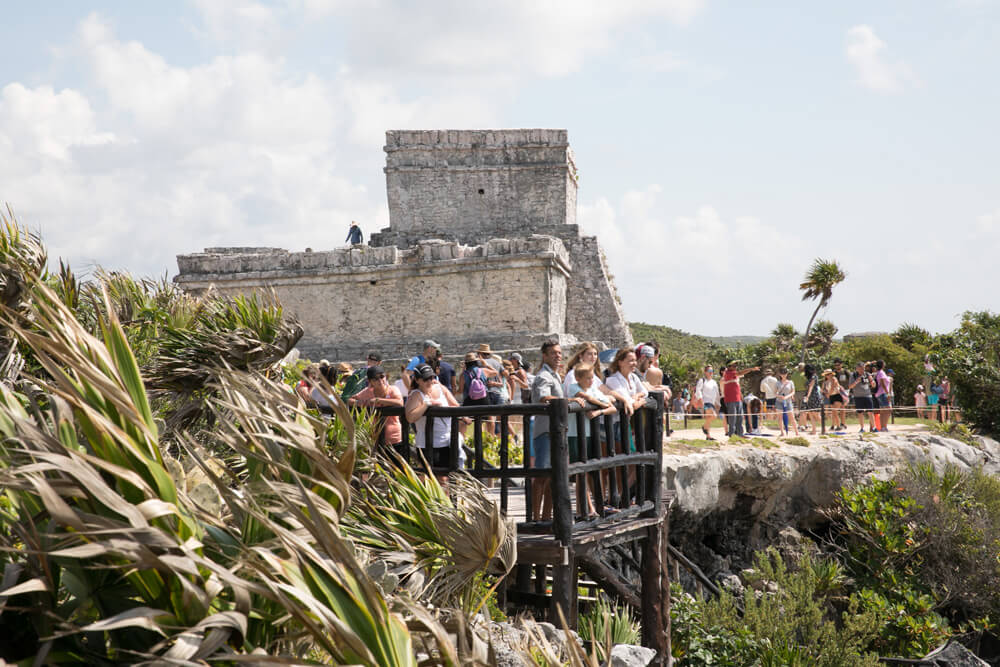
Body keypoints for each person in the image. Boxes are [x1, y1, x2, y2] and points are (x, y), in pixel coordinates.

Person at [566, 362, 616, 519]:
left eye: (592, 377)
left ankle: (589, 508)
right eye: (588, 378)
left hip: (588, 434)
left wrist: (598, 411)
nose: (591, 381)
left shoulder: (593, 389)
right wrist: (600, 404)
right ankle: (586, 509)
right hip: (575, 434)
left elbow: (612, 406)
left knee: (589, 470)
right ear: (578, 378)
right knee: (581, 471)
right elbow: (586, 397)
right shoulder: (574, 387)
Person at [530, 340, 572, 521]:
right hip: (545, 432)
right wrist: (568, 402)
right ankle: (536, 519)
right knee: (541, 477)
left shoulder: (554, 375)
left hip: (554, 432)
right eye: (554, 353)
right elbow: (543, 397)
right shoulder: (544, 376)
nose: (558, 356)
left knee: (552, 478)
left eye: (560, 353)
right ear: (545, 356)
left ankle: (546, 518)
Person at [404, 363, 464, 475]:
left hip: (447, 441)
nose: (430, 381)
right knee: (433, 477)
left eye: (432, 377)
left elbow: (455, 406)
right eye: (426, 378)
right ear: (417, 380)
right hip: (428, 444)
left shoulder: (440, 387)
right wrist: (427, 404)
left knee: (447, 477)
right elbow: (410, 417)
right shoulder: (416, 394)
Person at [349, 366, 406, 457]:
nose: (380, 380)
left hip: (394, 437)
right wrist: (360, 403)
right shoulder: (368, 392)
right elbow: (349, 400)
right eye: (375, 379)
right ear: (370, 382)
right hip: (375, 439)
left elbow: (400, 403)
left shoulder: (392, 389)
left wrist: (379, 400)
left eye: (382, 376)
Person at [721, 360, 759, 437]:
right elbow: (740, 373)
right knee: (732, 418)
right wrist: (751, 369)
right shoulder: (728, 373)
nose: (736, 367)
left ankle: (740, 434)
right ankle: (732, 434)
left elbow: (737, 385)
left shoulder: (733, 375)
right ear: (729, 366)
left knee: (740, 417)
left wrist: (741, 397)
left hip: (737, 399)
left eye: (736, 365)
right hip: (731, 400)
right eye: (734, 365)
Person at [695, 365, 721, 440]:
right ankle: (704, 427)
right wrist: (700, 399)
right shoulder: (702, 380)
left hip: (712, 402)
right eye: (709, 371)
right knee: (714, 416)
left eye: (712, 371)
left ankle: (708, 435)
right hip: (705, 402)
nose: (711, 373)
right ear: (705, 372)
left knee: (709, 418)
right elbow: (698, 390)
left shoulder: (714, 382)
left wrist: (718, 403)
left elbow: (716, 393)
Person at [849, 362, 876, 432]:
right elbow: (850, 386)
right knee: (860, 412)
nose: (862, 370)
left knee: (870, 412)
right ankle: (862, 428)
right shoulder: (853, 375)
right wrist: (857, 381)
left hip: (868, 395)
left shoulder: (867, 374)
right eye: (860, 369)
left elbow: (874, 385)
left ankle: (874, 427)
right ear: (857, 369)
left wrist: (872, 382)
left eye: (863, 368)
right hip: (858, 396)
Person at [802, 364, 823, 435]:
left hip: (814, 396)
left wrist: (807, 396)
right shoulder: (810, 377)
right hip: (809, 396)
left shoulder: (814, 376)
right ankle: (814, 430)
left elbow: (811, 387)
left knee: (816, 414)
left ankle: (824, 428)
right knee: (810, 413)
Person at [776, 368, 798, 436]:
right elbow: (775, 393)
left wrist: (787, 397)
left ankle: (796, 432)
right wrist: (780, 396)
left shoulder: (790, 382)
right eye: (782, 373)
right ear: (780, 374)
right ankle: (782, 432)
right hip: (779, 401)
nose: (783, 375)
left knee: (792, 417)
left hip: (788, 401)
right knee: (780, 417)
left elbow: (793, 391)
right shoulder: (777, 383)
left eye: (785, 373)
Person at [832, 359, 851, 431]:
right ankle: (835, 424)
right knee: (835, 408)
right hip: (836, 391)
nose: (837, 366)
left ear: (841, 364)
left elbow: (851, 379)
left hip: (844, 391)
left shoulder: (845, 372)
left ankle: (843, 423)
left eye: (838, 365)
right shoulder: (833, 373)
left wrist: (850, 389)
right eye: (835, 365)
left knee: (842, 407)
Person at [873, 360, 891, 432]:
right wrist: (887, 393)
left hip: (879, 393)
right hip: (882, 393)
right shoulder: (881, 373)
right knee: (887, 410)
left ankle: (883, 427)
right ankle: (884, 426)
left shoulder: (877, 373)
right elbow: (883, 384)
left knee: (883, 411)